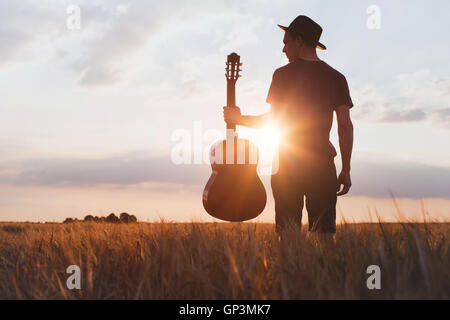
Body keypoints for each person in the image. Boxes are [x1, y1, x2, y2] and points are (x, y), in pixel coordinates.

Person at [223, 15, 354, 245]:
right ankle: (326, 281)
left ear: (299, 41)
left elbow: (275, 121)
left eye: (286, 42)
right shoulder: (337, 78)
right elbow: (345, 125)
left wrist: (238, 119)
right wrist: (346, 169)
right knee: (324, 240)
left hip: (287, 165)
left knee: (288, 240)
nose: (283, 49)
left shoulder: (282, 75)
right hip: (322, 166)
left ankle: (289, 281)